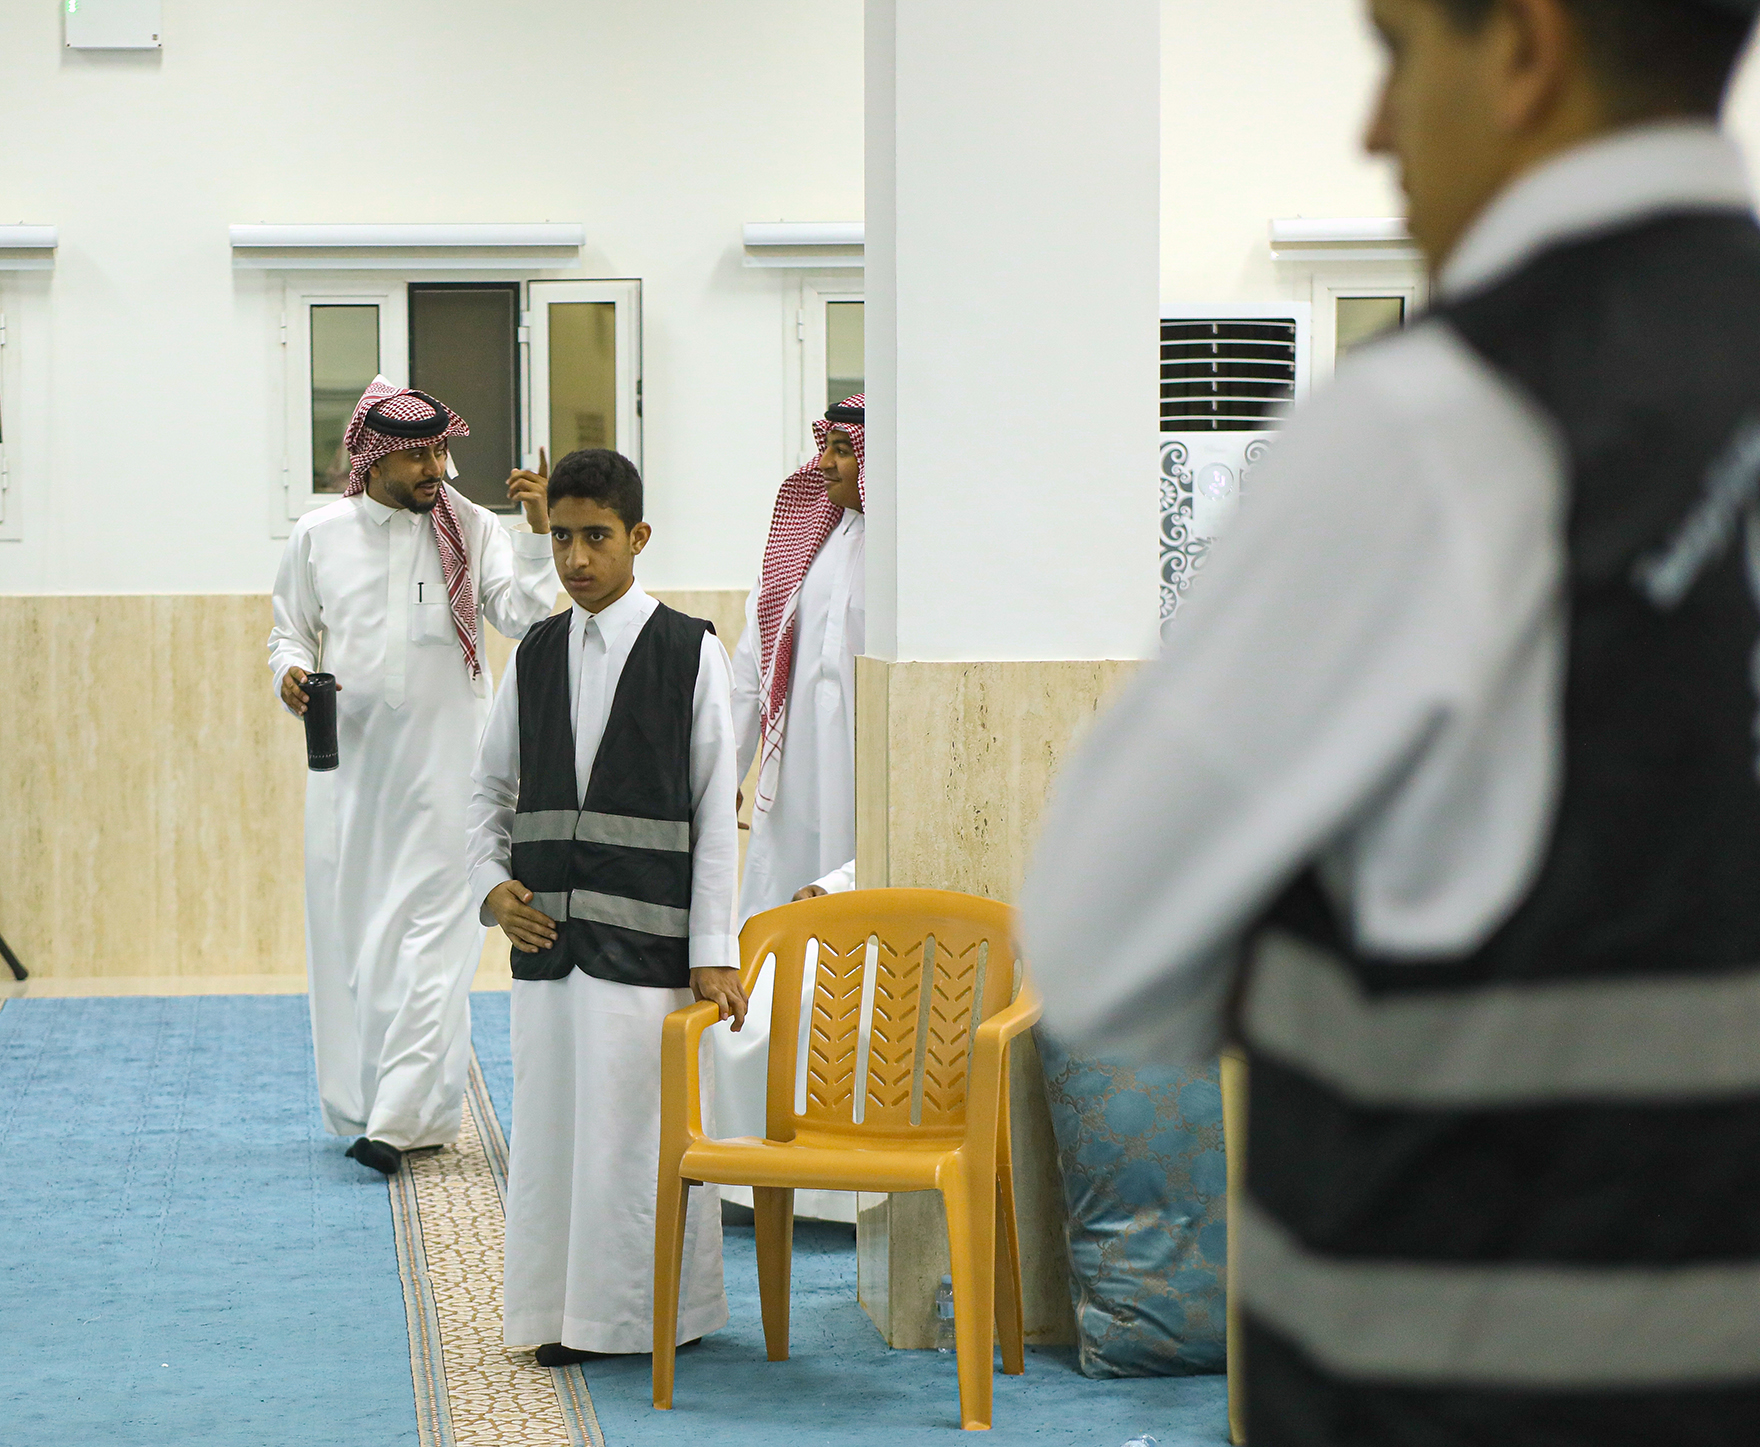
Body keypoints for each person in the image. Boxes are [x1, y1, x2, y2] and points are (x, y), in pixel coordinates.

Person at [1021, 1, 1760, 1442]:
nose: (1374, 127)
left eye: (1399, 51)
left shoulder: (1443, 425)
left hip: (1476, 1382)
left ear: (1526, 49)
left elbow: (1098, 944)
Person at [465, 448, 747, 1364]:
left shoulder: (691, 651)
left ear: (638, 537)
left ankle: (657, 1315)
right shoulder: (536, 653)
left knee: (635, 1139)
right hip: (549, 947)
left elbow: (714, 809)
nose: (576, 558)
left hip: (650, 949)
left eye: (596, 536)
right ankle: (562, 1316)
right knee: (553, 1137)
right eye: (561, 538)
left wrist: (714, 949)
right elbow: (488, 789)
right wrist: (491, 886)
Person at [269, 378, 559, 1175]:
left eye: (441, 449)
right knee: (363, 945)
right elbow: (288, 632)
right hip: (352, 779)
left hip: (453, 776)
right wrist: (289, 674)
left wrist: (537, 534)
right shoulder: (319, 535)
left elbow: (525, 617)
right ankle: (402, 1110)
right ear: (373, 459)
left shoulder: (471, 527)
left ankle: (394, 1122)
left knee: (438, 941)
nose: (437, 467)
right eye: (419, 455)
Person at [713, 399, 865, 1221]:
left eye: (845, 449)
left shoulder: (912, 554)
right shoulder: (809, 536)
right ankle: (750, 1168)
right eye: (828, 446)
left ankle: (841, 1195)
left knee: (850, 990)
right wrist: (718, 776)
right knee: (766, 967)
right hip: (790, 792)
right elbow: (752, 667)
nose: (829, 463)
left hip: (861, 800)